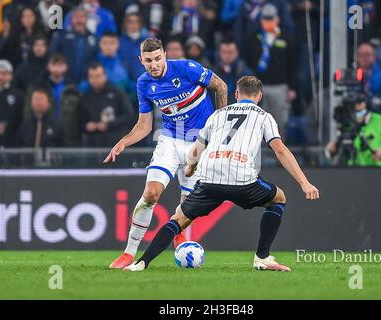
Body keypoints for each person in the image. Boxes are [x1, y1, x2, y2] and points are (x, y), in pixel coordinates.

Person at [125, 76, 320, 272]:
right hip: (242, 179)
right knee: (278, 198)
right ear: (259, 96)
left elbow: (195, 151)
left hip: (209, 178)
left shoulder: (217, 115)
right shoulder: (263, 117)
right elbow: (280, 150)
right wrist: (304, 183)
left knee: (178, 220)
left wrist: (190, 169)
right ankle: (262, 257)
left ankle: (142, 262)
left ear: (236, 94)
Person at [104, 38, 228, 269]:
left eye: (158, 58)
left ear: (165, 56)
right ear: (141, 60)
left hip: (200, 144)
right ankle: (129, 253)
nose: (154, 64)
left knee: (188, 203)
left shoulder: (187, 68)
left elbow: (221, 86)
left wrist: (219, 127)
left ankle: (179, 234)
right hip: (170, 140)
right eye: (149, 60)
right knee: (151, 194)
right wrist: (124, 142)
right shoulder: (143, 84)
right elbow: (144, 125)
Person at [243, 2, 297, 132]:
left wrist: (293, 86)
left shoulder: (286, 37)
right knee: (256, 124)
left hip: (279, 86)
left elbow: (293, 62)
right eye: (265, 19)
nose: (268, 22)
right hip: (258, 86)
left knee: (278, 124)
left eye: (270, 19)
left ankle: (278, 151)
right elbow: (248, 59)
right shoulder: (254, 36)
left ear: (277, 19)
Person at [326, 97, 381, 167]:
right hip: (353, 175)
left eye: (359, 103)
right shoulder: (346, 126)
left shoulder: (379, 120)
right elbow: (331, 153)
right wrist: (331, 151)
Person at [80, 63, 133, 147]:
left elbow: (128, 115)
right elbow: (80, 120)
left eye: (98, 76)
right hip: (92, 145)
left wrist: (108, 125)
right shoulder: (85, 97)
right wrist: (87, 125)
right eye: (91, 76)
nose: (95, 79)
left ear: (105, 76)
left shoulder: (117, 93)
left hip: (116, 143)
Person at [49, 6, 98, 84]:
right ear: (71, 19)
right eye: (76, 17)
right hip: (64, 80)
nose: (79, 20)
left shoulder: (93, 38)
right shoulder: (62, 35)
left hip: (86, 81)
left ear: (87, 19)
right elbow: (52, 55)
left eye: (82, 17)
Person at [213, 39, 254, 105]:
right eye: (223, 52)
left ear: (237, 52)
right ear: (219, 52)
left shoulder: (246, 74)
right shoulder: (214, 72)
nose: (226, 56)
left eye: (230, 52)